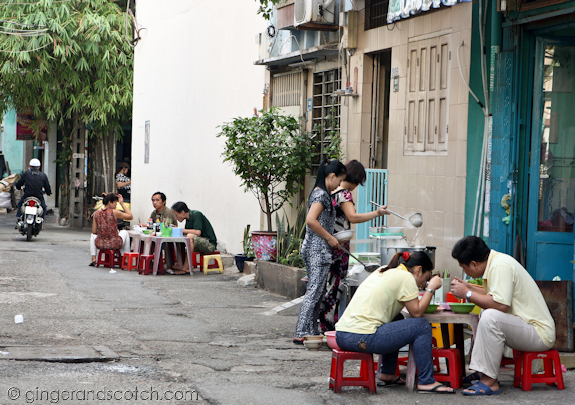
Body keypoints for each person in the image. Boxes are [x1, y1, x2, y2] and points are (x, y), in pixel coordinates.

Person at [335, 251, 455, 394]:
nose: (423, 284)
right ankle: (426, 381)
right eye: (426, 278)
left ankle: (387, 373)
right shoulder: (406, 278)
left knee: (396, 317)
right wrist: (431, 288)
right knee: (421, 326)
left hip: (342, 335)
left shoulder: (384, 270)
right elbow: (416, 312)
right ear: (418, 270)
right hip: (363, 337)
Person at [450, 236, 556, 396]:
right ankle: (482, 373)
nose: (465, 272)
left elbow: (500, 304)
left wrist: (468, 293)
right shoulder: (496, 262)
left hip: (539, 334)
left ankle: (489, 382)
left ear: (474, 264)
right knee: (487, 313)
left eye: (464, 268)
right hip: (527, 327)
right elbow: (495, 294)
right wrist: (468, 287)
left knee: (490, 315)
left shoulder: (500, 266)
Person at [319, 159, 389, 332]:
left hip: (328, 245)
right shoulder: (345, 194)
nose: (356, 187)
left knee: (328, 286)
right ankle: (329, 327)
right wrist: (376, 213)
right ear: (355, 179)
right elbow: (353, 217)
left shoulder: (331, 191)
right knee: (335, 287)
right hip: (339, 248)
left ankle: (323, 324)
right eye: (358, 183)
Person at [293, 159, 347, 344]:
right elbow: (311, 220)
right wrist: (330, 238)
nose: (339, 185)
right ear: (331, 176)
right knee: (315, 291)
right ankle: (301, 331)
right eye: (339, 181)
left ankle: (312, 329)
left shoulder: (320, 192)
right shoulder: (322, 195)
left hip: (317, 249)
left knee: (318, 291)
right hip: (317, 250)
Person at [170, 201, 218, 275]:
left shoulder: (196, 214)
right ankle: (180, 263)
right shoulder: (188, 220)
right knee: (180, 238)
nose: (175, 218)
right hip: (199, 243)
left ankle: (186, 267)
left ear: (182, 212)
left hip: (209, 244)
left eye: (176, 215)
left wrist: (181, 230)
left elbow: (198, 232)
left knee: (189, 236)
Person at [89, 193, 133, 266]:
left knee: (92, 236)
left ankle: (93, 257)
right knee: (125, 232)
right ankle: (125, 258)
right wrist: (122, 204)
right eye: (116, 203)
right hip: (114, 243)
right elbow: (130, 216)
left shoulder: (96, 213)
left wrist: (103, 233)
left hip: (100, 244)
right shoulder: (114, 212)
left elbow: (94, 231)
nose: (116, 205)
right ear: (110, 202)